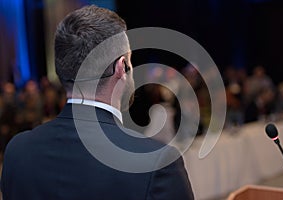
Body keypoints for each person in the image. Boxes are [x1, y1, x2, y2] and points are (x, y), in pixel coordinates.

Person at [1, 5, 194, 200]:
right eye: (130, 59)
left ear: (61, 70)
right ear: (122, 66)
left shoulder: (17, 152)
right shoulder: (157, 164)